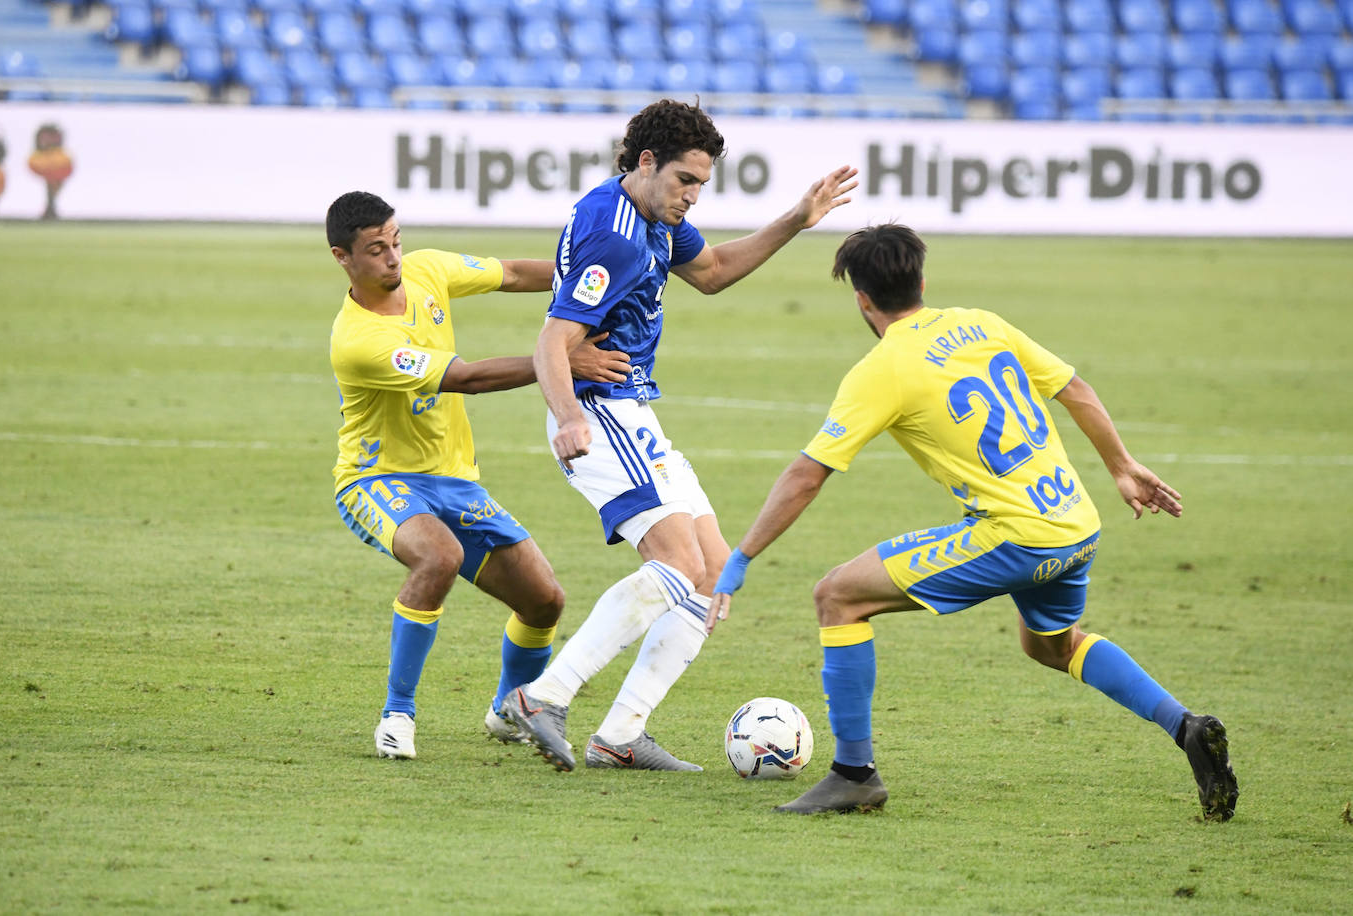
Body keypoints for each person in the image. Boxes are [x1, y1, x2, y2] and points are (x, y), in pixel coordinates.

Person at [707, 223, 1239, 820]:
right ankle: (1185, 726)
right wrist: (1121, 466)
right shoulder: (981, 322)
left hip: (1016, 535)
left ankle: (854, 774)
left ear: (862, 299)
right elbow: (1075, 388)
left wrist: (743, 555)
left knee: (837, 597)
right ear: (922, 281)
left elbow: (807, 475)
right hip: (1075, 524)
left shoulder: (882, 368)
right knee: (1052, 646)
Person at [498, 99, 859, 772]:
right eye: (684, 181)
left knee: (713, 576)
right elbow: (553, 337)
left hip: (634, 408)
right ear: (645, 163)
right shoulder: (614, 233)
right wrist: (571, 417)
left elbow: (714, 272)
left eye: (701, 184)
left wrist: (796, 220)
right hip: (602, 409)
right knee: (676, 565)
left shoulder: (652, 216)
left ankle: (620, 734)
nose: (692, 197)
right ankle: (543, 697)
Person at [326, 190, 628, 760]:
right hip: (377, 479)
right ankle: (397, 714)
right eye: (375, 250)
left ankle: (509, 708)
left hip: (455, 480)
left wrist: (593, 281)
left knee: (544, 601)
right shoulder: (358, 341)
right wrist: (558, 360)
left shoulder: (425, 269)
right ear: (342, 257)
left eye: (395, 241)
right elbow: (464, 378)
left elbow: (512, 272)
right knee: (437, 557)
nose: (393, 258)